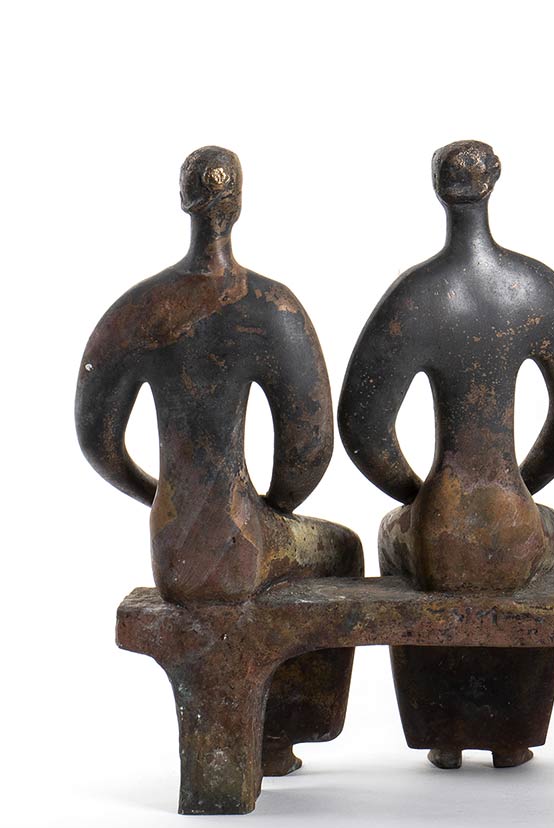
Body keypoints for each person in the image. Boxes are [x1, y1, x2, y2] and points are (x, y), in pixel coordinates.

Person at [76, 146, 364, 776]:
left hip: (172, 542)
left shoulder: (138, 309)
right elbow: (308, 452)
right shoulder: (270, 307)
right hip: (242, 537)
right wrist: (273, 509)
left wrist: (160, 494)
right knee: (340, 550)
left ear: (185, 202)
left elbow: (97, 442)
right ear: (237, 206)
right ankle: (280, 738)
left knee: (299, 549)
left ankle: (261, 740)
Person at [339, 140, 554, 769]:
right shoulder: (535, 288)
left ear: (438, 189)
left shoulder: (417, 294)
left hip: (441, 520)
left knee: (396, 536)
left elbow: (363, 428)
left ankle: (444, 736)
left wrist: (419, 496)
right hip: (514, 519)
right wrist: (524, 484)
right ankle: (512, 736)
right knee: (552, 534)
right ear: (493, 183)